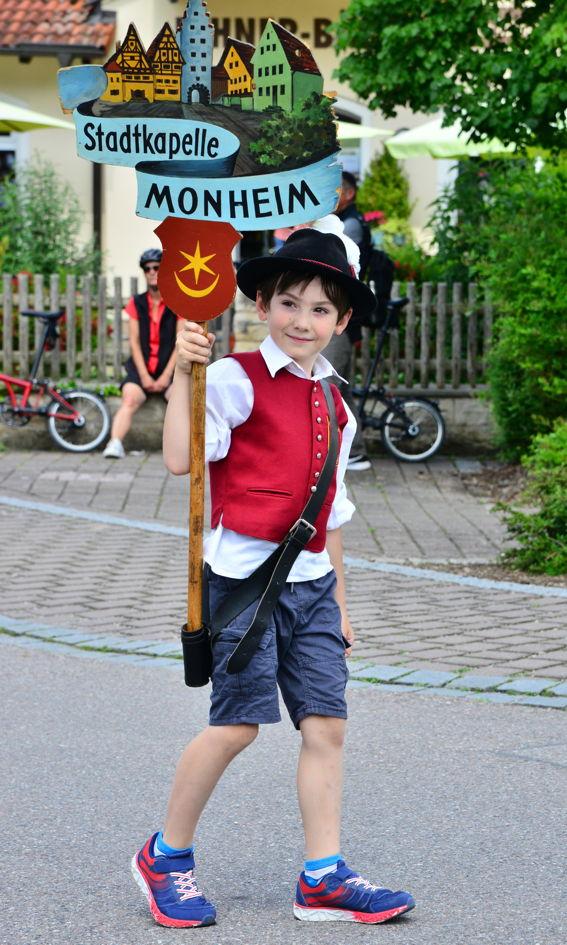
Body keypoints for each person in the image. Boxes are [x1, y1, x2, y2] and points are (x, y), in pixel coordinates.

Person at [131, 230, 415, 929]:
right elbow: (178, 460)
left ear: (341, 320)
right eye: (288, 302)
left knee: (326, 725)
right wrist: (182, 378)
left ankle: (322, 874)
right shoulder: (231, 378)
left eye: (320, 309)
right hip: (243, 588)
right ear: (261, 303)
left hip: (313, 588)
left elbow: (332, 513)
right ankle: (165, 855)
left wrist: (341, 603)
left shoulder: (337, 403)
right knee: (236, 727)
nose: (301, 319)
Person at [103, 248, 180, 459]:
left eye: (157, 267)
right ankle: (115, 443)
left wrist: (165, 376)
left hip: (170, 368)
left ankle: (184, 449)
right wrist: (144, 376)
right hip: (141, 368)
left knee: (179, 400)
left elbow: (179, 343)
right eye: (147, 269)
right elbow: (134, 343)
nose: (152, 272)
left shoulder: (177, 301)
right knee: (130, 398)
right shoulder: (136, 303)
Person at [322, 171, 374, 472]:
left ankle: (337, 452)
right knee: (340, 386)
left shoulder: (350, 226)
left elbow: (339, 266)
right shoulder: (349, 222)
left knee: (330, 385)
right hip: (342, 316)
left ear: (350, 193)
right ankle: (355, 451)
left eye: (336, 189)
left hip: (342, 316)